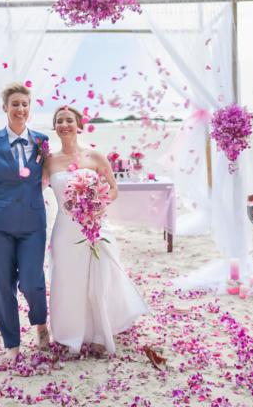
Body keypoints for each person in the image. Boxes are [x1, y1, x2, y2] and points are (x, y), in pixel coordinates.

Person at [43, 106, 150, 355]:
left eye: (69, 120)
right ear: (55, 127)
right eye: (59, 121)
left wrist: (94, 204)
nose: (64, 124)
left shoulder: (95, 156)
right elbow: (35, 190)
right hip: (65, 231)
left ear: (79, 125)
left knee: (99, 281)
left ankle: (101, 334)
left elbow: (113, 189)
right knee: (68, 281)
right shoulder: (48, 162)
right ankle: (72, 334)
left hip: (96, 226)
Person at [0, 82, 50, 362]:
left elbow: (55, 171)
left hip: (33, 223)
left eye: (24, 104)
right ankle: (11, 344)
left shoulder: (42, 141)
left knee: (32, 283)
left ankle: (40, 325)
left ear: (30, 108)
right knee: (3, 287)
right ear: (5, 108)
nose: (20, 109)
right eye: (15, 104)